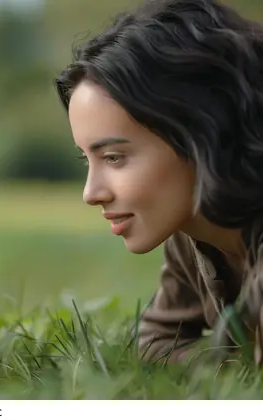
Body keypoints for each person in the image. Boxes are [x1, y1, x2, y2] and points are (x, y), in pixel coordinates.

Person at [54, 0, 263, 364]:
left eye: (114, 158)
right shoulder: (193, 232)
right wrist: (232, 367)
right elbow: (156, 342)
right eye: (86, 159)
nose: (91, 193)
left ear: (201, 134)